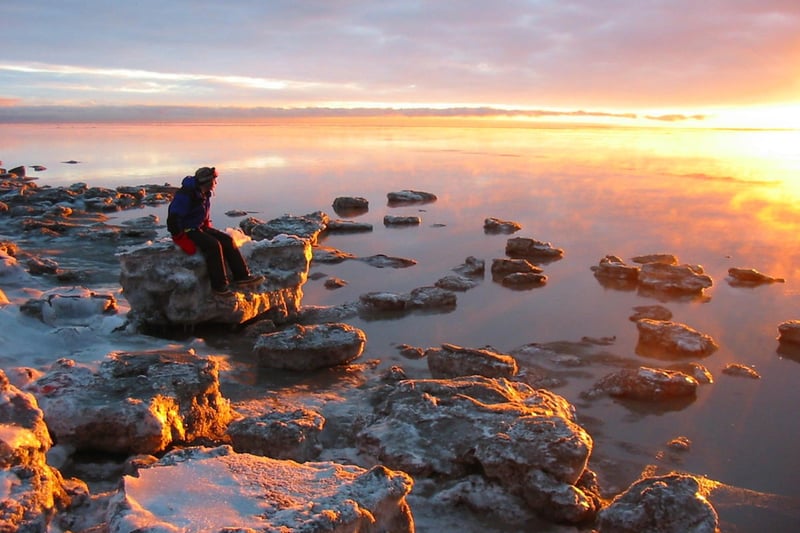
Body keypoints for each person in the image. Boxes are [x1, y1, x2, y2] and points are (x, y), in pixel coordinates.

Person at [167, 166, 263, 296]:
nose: (216, 183)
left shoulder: (204, 193)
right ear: (208, 181)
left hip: (199, 226)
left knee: (227, 240)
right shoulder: (186, 195)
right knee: (213, 246)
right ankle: (219, 286)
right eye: (214, 180)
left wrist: (206, 223)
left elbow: (202, 212)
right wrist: (180, 237)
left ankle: (242, 276)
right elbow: (173, 219)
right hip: (188, 229)